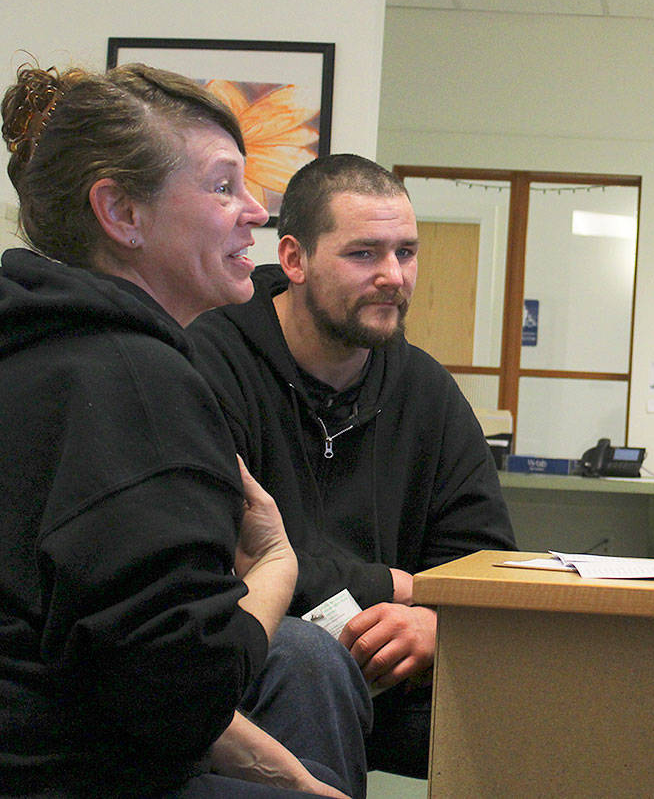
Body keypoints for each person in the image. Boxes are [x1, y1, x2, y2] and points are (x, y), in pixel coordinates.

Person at [0, 62, 370, 796]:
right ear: (122, 214)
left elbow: (113, 662)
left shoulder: (39, 350)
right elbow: (182, 697)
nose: (258, 213)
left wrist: (288, 777)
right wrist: (274, 566)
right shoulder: (139, 383)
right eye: (223, 186)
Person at [187, 153, 517, 778]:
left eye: (407, 253)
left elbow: (482, 558)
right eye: (365, 254)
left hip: (391, 669)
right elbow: (227, 551)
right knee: (308, 661)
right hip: (257, 655)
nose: (394, 276)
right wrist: (395, 585)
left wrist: (434, 621)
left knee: (539, 689)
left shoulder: (426, 390)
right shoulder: (210, 358)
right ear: (294, 260)